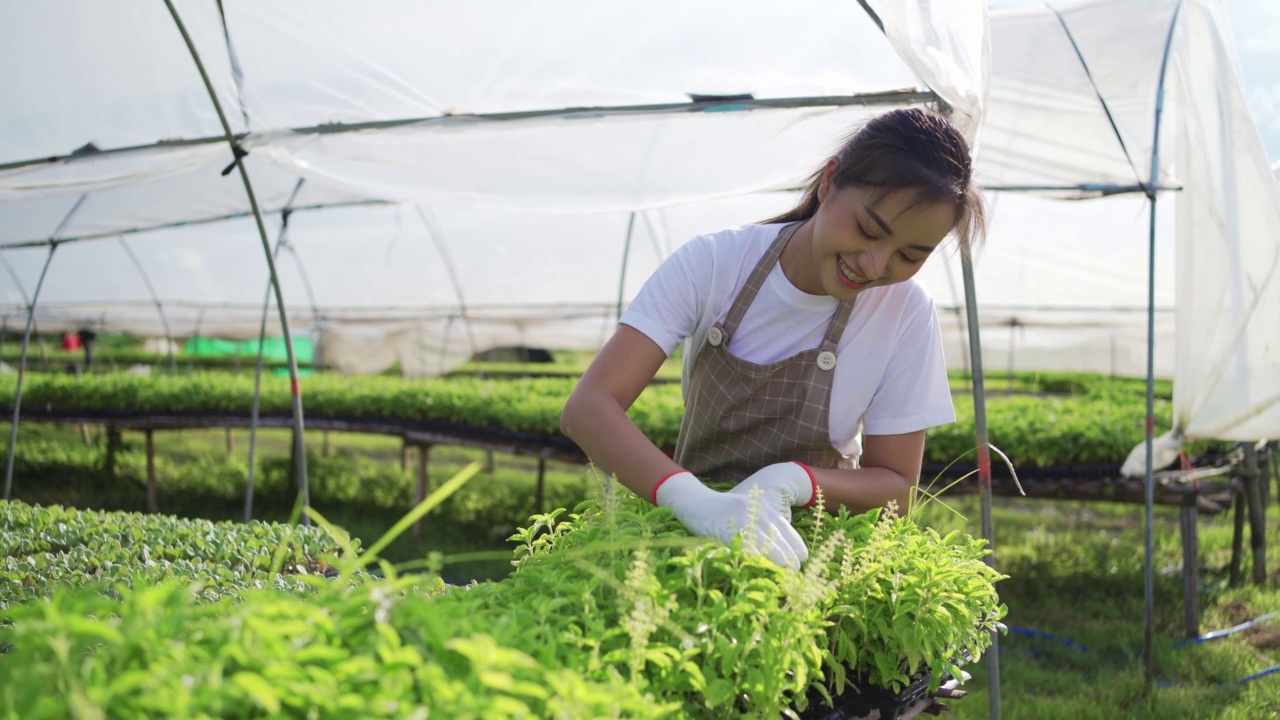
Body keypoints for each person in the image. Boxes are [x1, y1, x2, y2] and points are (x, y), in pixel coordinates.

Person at [560, 107, 986, 570]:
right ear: (829, 181)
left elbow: (898, 488)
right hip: (691, 536)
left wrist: (794, 483)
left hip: (816, 553)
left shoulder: (904, 311)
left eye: (908, 254)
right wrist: (694, 501)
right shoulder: (716, 263)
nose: (874, 265)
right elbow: (589, 407)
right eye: (867, 230)